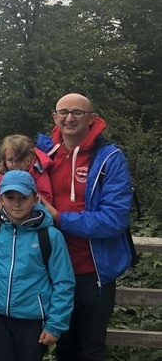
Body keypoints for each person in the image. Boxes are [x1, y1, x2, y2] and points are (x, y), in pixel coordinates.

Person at [36, 93, 136, 361]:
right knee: (63, 349)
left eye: (77, 113)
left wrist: (60, 218)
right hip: (51, 270)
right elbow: (10, 191)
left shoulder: (109, 158)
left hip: (93, 273)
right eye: (63, 112)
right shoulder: (42, 155)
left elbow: (114, 219)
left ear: (91, 119)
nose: (69, 118)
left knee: (91, 350)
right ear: (54, 117)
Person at [0, 170, 75, 361]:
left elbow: (64, 282)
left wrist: (55, 324)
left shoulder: (50, 236)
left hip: (32, 320)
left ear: (35, 198)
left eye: (23, 197)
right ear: (1, 199)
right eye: (10, 197)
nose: (16, 203)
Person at [0, 134, 53, 220]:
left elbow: (46, 199)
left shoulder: (37, 173)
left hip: (32, 223)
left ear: (29, 157)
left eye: (19, 159)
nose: (14, 164)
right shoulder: (3, 175)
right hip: (7, 223)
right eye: (10, 160)